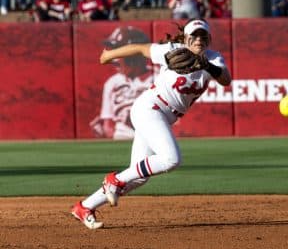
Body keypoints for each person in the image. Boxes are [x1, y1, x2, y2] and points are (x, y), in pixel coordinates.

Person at [72, 19, 232, 229]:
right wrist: (109, 55)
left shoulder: (214, 59)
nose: (199, 40)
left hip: (164, 116)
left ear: (209, 39)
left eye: (203, 36)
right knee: (171, 159)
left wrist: (207, 65)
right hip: (150, 108)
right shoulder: (174, 49)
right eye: (195, 35)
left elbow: (226, 79)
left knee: (138, 177)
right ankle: (113, 180)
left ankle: (84, 207)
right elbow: (140, 48)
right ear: (186, 38)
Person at [90, 26, 154, 140]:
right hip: (121, 140)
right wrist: (103, 131)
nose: (114, 59)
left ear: (133, 56)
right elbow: (108, 124)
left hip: (154, 138)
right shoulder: (112, 83)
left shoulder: (159, 77)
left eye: (118, 52)